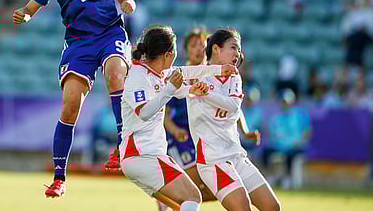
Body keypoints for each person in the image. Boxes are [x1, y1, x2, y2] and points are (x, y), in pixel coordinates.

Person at [12, 0, 137, 198]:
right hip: (79, 44)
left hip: (110, 35)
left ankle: (122, 144)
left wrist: (128, 4)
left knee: (116, 73)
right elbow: (31, 7)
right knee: (70, 106)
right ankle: (59, 178)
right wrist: (24, 16)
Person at [120, 25, 238, 211]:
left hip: (149, 154)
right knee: (192, 196)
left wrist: (200, 84)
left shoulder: (156, 73)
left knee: (182, 203)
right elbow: (143, 112)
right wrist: (169, 90)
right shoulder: (138, 75)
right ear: (168, 54)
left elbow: (187, 73)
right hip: (141, 154)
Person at [161, 28, 260, 211]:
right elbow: (164, 113)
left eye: (201, 44)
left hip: (208, 140)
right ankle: (166, 195)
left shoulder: (219, 74)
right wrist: (175, 130)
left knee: (210, 191)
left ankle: (173, 200)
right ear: (186, 50)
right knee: (190, 185)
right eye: (193, 45)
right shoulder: (184, 77)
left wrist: (245, 131)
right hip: (182, 139)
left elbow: (233, 106)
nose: (199, 49)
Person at [186, 28, 281, 211]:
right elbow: (172, 86)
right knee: (242, 208)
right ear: (216, 49)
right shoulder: (196, 75)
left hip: (236, 155)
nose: (237, 53)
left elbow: (234, 106)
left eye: (239, 49)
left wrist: (205, 94)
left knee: (272, 207)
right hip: (213, 160)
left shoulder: (234, 76)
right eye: (233, 47)